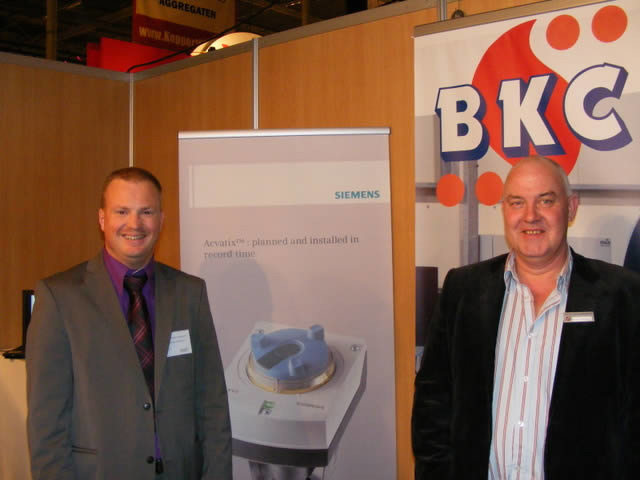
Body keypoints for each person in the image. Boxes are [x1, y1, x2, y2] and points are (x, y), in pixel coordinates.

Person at [412, 156, 640, 479]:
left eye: (546, 201)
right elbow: (432, 404)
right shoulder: (462, 290)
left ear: (571, 208)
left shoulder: (622, 296)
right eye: (517, 202)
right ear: (504, 210)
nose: (530, 216)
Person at [26, 167, 232, 479]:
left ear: (161, 220)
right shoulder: (59, 298)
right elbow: (47, 423)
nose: (134, 224)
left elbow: (212, 402)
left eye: (146, 212)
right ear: (102, 219)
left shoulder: (190, 293)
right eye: (122, 211)